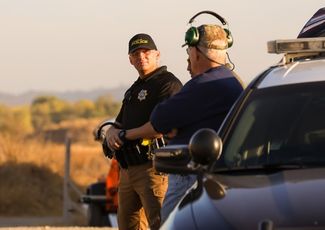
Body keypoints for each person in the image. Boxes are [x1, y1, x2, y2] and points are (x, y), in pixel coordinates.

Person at [116, 22, 245, 224]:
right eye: (136, 53)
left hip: (188, 175)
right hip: (202, 173)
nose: (187, 64)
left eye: (188, 55)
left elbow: (159, 119)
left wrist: (129, 135)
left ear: (195, 53)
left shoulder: (200, 83)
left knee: (169, 224)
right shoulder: (231, 80)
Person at [105, 33, 183, 230]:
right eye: (136, 54)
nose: (141, 57)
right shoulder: (133, 89)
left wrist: (125, 135)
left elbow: (161, 127)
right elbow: (119, 122)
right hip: (128, 169)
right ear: (130, 60)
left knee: (161, 224)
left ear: (157, 54)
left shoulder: (167, 84)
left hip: (154, 169)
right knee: (128, 225)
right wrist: (111, 132)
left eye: (146, 52)